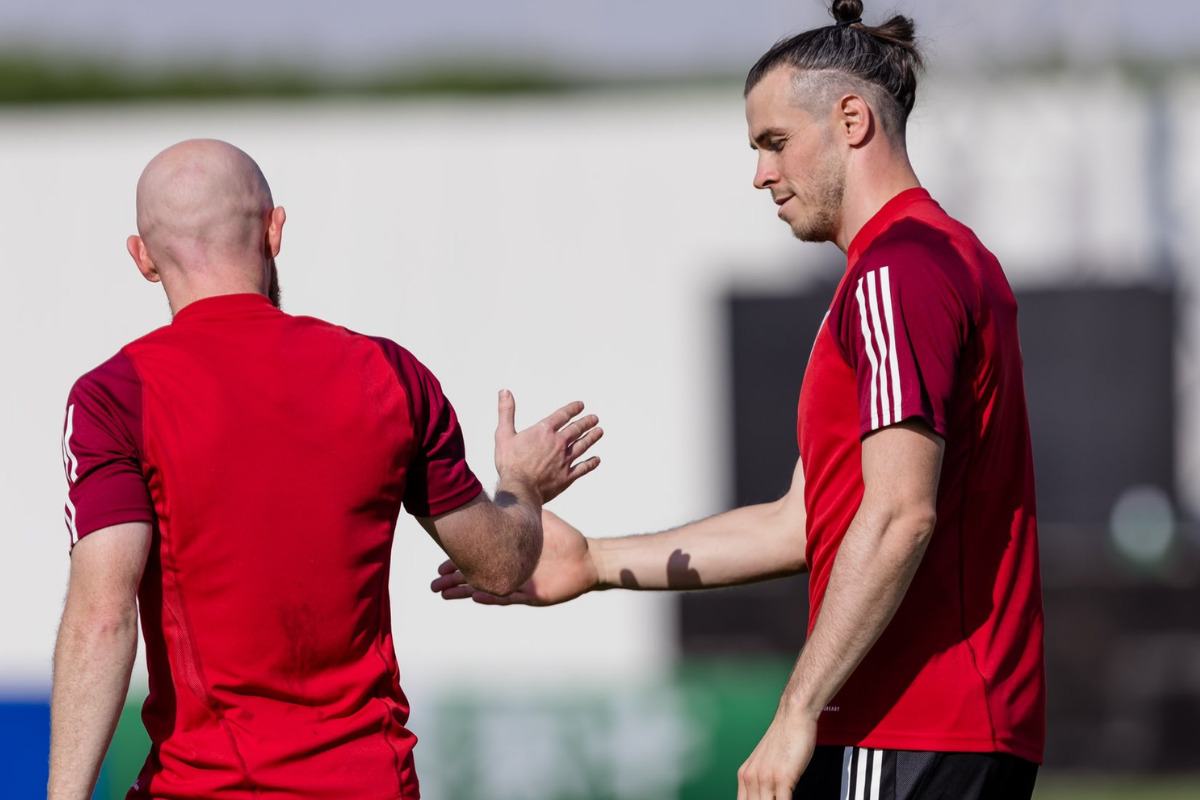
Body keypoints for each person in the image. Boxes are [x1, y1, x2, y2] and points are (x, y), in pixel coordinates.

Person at [432, 2, 1044, 798]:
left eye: (774, 143)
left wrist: (797, 713)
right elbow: (803, 522)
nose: (760, 173)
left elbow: (899, 515)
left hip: (910, 729)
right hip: (944, 733)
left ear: (852, 120)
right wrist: (595, 562)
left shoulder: (899, 272)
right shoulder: (943, 260)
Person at [49, 138, 603, 800]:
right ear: (274, 230)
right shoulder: (391, 375)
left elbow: (103, 615)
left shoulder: (117, 396)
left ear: (142, 258)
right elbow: (501, 566)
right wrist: (522, 486)